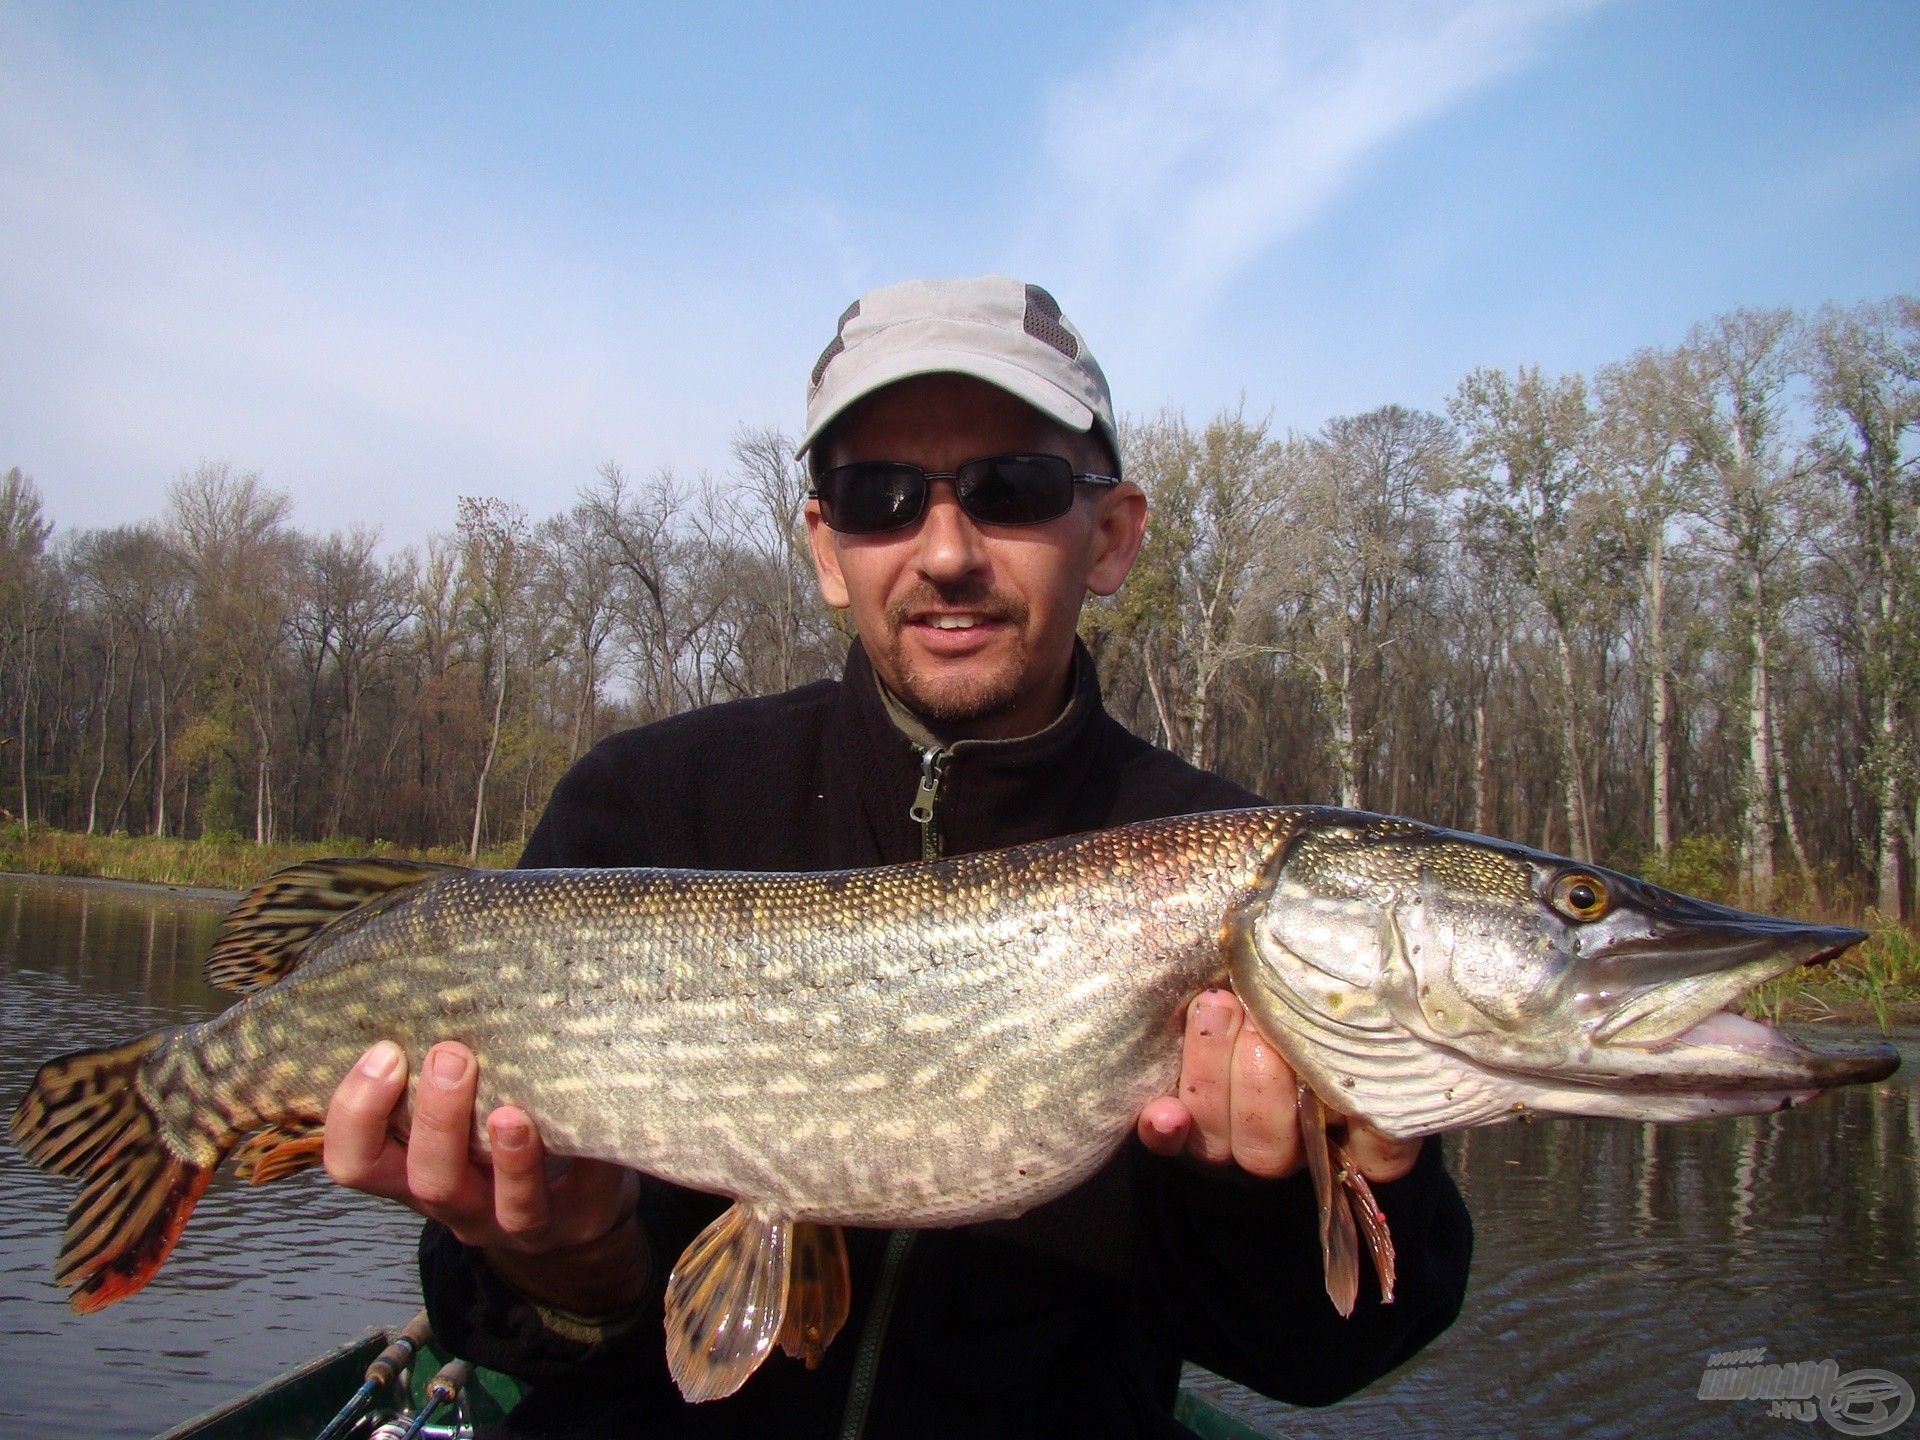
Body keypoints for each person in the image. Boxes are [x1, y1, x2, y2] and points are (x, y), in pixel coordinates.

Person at [323, 275, 1472, 1437]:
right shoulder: (643, 805)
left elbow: (1324, 1358)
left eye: (1010, 488)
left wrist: (1288, 1198)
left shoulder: (1220, 854)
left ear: (1112, 534)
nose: (945, 550)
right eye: (879, 496)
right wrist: (565, 1263)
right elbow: (494, 1315)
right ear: (828, 548)